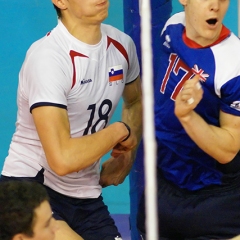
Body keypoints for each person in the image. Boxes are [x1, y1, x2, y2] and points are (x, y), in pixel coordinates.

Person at [0, 0, 142, 240]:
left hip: (86, 195)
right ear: (60, 1)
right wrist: (119, 131)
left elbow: (136, 101)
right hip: (34, 187)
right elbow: (62, 159)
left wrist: (128, 154)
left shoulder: (122, 46)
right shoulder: (48, 58)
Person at [137, 0, 240, 239]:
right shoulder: (172, 27)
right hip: (164, 180)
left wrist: (187, 117)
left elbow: (229, 148)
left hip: (212, 193)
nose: (215, 6)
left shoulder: (233, 63)